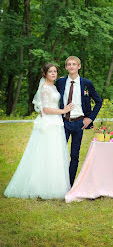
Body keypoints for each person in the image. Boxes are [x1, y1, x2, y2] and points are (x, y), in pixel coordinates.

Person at [4, 63, 73, 199]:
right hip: (48, 122)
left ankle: (55, 185)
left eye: (55, 72)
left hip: (56, 122)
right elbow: (46, 109)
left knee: (55, 153)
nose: (53, 74)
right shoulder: (45, 88)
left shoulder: (53, 86)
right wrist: (64, 111)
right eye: (50, 72)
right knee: (45, 152)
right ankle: (40, 186)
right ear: (45, 74)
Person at [56, 56, 102, 186]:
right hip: (63, 123)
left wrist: (90, 118)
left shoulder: (87, 84)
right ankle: (59, 182)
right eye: (69, 64)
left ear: (79, 66)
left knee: (74, 156)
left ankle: (70, 184)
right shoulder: (60, 83)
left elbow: (98, 101)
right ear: (66, 67)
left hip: (79, 123)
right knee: (59, 153)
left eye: (74, 64)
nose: (71, 66)